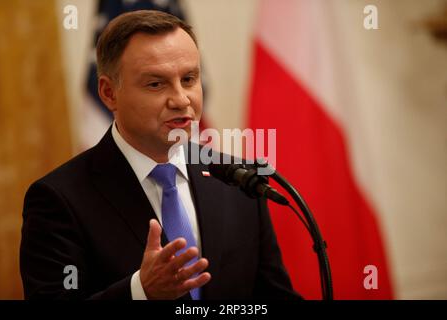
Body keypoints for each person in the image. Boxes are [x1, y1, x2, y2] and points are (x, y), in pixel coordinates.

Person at [20, 10, 300, 300]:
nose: (181, 99)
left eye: (189, 78)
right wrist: (141, 291)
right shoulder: (58, 199)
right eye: (156, 84)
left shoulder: (241, 180)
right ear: (108, 93)